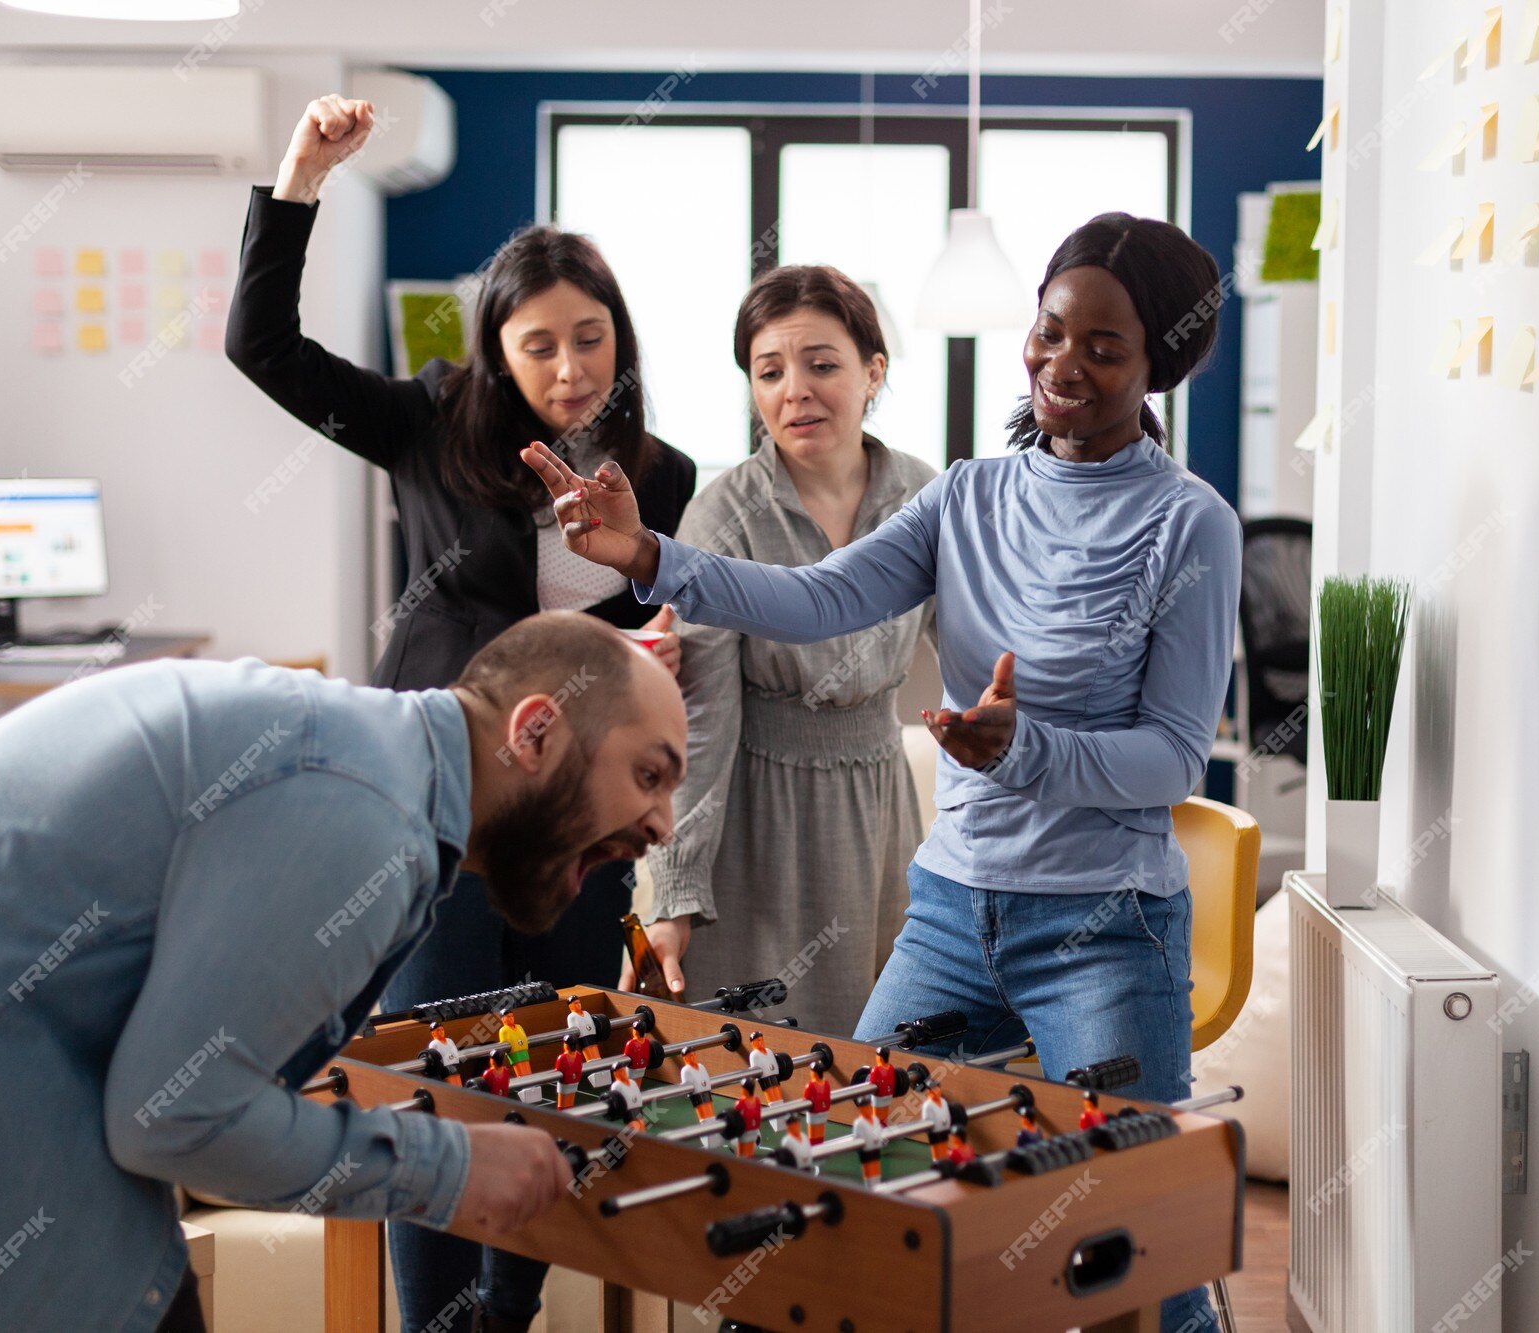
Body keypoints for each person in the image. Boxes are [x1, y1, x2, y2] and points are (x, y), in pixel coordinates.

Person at [524, 212, 1240, 1331]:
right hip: (953, 908)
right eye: (1050, 333)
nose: (1062, 365)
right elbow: (820, 599)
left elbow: (1170, 757)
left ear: (1161, 364)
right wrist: (648, 554)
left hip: (1104, 923)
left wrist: (1027, 748)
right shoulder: (965, 496)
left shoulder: (1188, 524)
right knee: (849, 1172)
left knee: (1130, 1246)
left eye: (1103, 348)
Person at [0, 611, 685, 1333]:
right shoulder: (364, 818)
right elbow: (173, 1117)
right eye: (649, 774)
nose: (662, 823)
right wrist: (451, 1167)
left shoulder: (360, 757)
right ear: (534, 732)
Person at [226, 94, 697, 1330]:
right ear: (497, 353)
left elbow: (651, 644)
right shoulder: (428, 426)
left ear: (620, 342)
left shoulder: (663, 476)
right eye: (537, 345)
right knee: (435, 1079)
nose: (567, 368)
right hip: (436, 810)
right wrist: (300, 179)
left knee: (546, 1074)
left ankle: (505, 1311)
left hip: (583, 827)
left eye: (588, 339)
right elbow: (259, 346)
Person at [636, 266, 936, 1037]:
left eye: (822, 364)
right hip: (755, 820)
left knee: (884, 1069)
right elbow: (699, 723)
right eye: (769, 372)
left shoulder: (924, 497)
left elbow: (983, 661)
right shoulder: (724, 512)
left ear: (874, 372)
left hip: (881, 813)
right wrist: (671, 896)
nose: (794, 390)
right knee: (755, 1069)